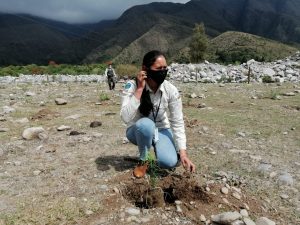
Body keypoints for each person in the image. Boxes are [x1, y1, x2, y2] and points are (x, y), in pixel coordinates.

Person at [120, 50, 196, 178]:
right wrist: (139, 90)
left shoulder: (170, 90)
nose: (163, 71)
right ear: (145, 69)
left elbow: (177, 122)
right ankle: (143, 160)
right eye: (158, 68)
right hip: (138, 130)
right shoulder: (132, 86)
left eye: (165, 68)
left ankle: (165, 152)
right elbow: (125, 117)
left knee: (169, 162)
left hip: (161, 129)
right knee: (146, 125)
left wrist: (183, 153)